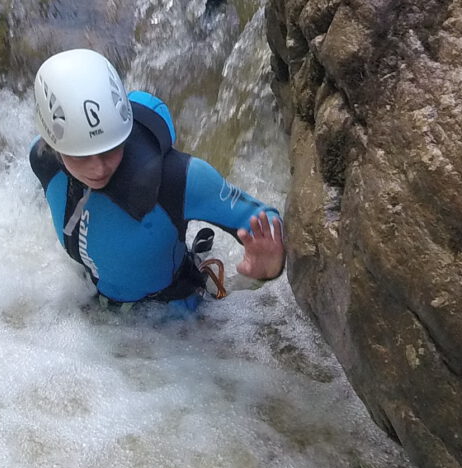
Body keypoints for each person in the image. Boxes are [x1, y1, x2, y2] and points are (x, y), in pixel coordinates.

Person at [28, 48, 286, 311]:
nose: (98, 169)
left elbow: (265, 221)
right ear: (54, 144)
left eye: (109, 149)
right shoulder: (43, 161)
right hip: (96, 314)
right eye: (81, 156)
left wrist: (269, 267)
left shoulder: (178, 178)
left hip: (174, 326)